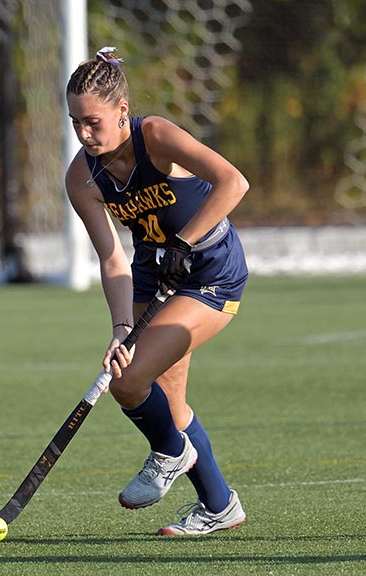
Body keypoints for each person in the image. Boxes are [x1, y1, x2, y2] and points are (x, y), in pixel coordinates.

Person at [64, 47, 249, 535]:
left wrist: (184, 244)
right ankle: (219, 506)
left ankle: (168, 452)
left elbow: (234, 182)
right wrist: (121, 326)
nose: (84, 134)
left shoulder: (156, 136)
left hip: (210, 271)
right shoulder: (82, 177)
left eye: (93, 122)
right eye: (75, 123)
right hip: (153, 275)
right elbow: (111, 258)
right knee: (168, 401)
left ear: (122, 111)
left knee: (128, 383)